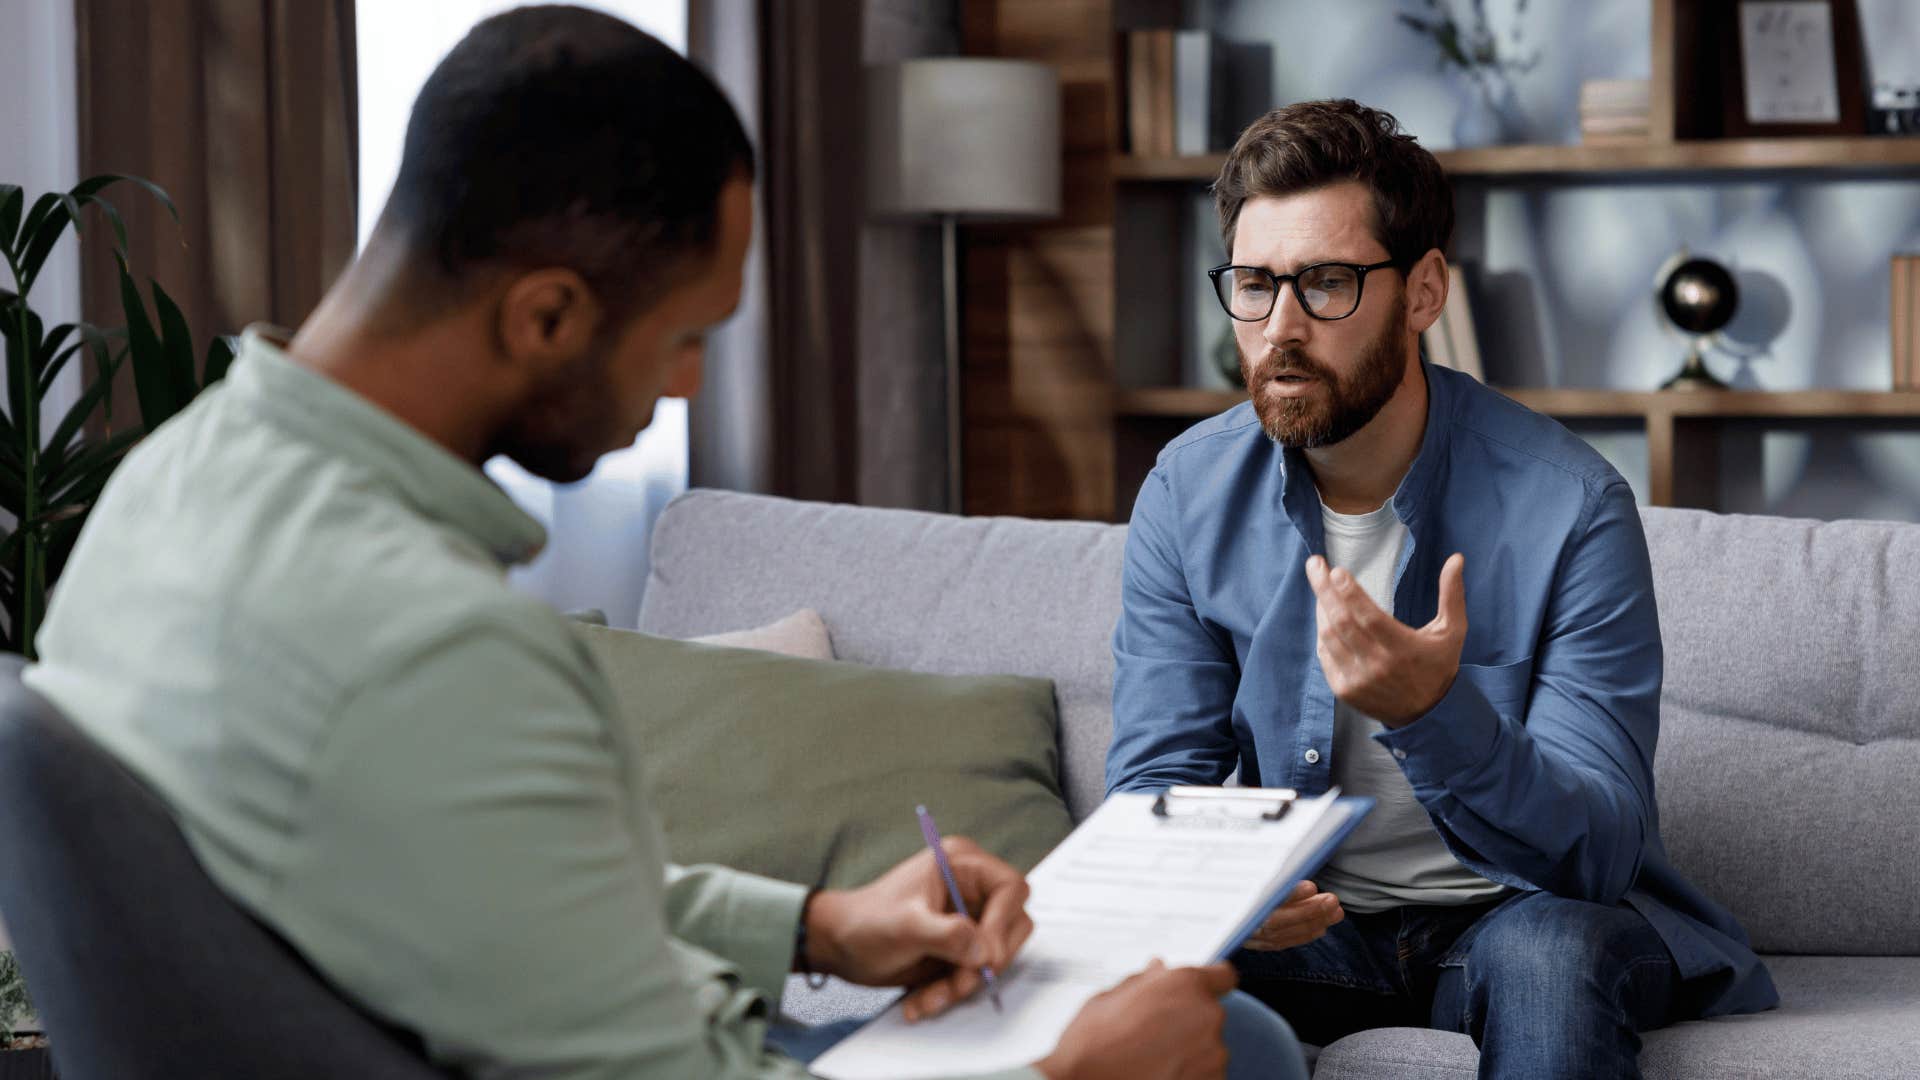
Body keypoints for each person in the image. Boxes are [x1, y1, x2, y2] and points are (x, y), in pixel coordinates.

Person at [23, 7, 1311, 1080]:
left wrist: (821, 925)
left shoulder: (167, 489)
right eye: (686, 336)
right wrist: (1065, 1076)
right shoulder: (439, 647)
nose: (688, 387)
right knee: (1227, 1043)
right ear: (545, 314)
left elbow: (478, 887)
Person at [1105, 99, 1780, 1080]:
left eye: (1328, 284)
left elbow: (1596, 854)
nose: (1279, 329)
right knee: (1120, 961)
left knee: (1554, 952)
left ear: (1424, 293)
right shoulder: (1186, 489)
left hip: (1515, 916)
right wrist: (1214, 891)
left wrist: (1433, 712)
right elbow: (1153, 795)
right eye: (1254, 286)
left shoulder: (1572, 506)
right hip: (1307, 930)